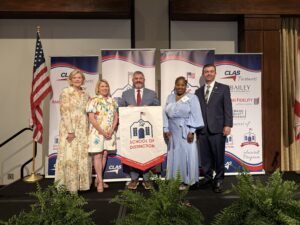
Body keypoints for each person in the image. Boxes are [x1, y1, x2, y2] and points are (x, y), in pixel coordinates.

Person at [195, 64, 233, 193]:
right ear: (203, 74)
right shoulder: (198, 92)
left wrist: (228, 125)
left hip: (217, 128)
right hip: (202, 130)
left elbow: (228, 108)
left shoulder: (223, 88)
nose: (209, 73)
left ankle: (219, 180)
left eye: (211, 71)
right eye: (206, 72)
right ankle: (207, 177)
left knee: (218, 156)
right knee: (205, 157)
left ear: (215, 73)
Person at [120, 71, 160, 190]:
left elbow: (157, 107)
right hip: (132, 131)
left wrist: (149, 109)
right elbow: (120, 108)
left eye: (140, 78)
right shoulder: (125, 94)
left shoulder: (152, 93)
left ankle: (147, 179)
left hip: (147, 129)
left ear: (144, 80)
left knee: (147, 152)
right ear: (132, 80)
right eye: (136, 78)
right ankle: (134, 178)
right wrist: (126, 108)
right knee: (133, 152)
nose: (138, 80)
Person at [163, 76, 204, 190]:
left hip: (186, 131)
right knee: (175, 155)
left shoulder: (192, 98)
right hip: (173, 132)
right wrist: (165, 129)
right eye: (178, 84)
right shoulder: (170, 97)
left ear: (186, 86)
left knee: (186, 155)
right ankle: (175, 179)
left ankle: (187, 181)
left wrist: (192, 131)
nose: (180, 87)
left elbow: (195, 115)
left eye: (182, 85)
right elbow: (165, 114)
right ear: (175, 85)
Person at [55, 69, 91, 193]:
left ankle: (82, 185)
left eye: (79, 78)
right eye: (75, 78)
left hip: (83, 129)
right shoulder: (66, 92)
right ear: (70, 80)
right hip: (70, 129)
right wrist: (70, 131)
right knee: (70, 156)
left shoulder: (85, 94)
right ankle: (70, 186)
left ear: (83, 80)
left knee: (81, 156)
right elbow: (64, 112)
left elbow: (88, 112)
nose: (77, 80)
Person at [86, 79, 118, 193]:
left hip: (109, 132)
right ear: (98, 88)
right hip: (96, 133)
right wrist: (102, 131)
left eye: (106, 86)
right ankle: (100, 181)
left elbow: (116, 117)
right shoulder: (93, 100)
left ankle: (99, 179)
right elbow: (91, 118)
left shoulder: (112, 100)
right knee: (98, 155)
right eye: (102, 86)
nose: (104, 88)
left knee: (104, 154)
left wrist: (112, 129)